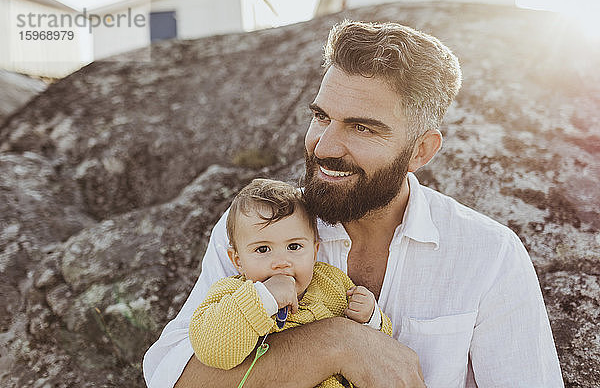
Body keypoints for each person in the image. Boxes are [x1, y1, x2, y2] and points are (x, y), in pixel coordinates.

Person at [143, 20, 564, 388]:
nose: (324, 146)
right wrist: (337, 343)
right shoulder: (262, 228)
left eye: (362, 128)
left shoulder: (489, 254)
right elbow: (173, 376)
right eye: (322, 117)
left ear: (421, 151)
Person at [188, 178, 392, 387]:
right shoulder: (231, 293)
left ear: (314, 252)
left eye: (294, 247)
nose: (281, 262)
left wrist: (371, 318)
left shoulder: (331, 283)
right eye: (263, 249)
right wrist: (262, 299)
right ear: (238, 261)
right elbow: (213, 352)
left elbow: (377, 351)